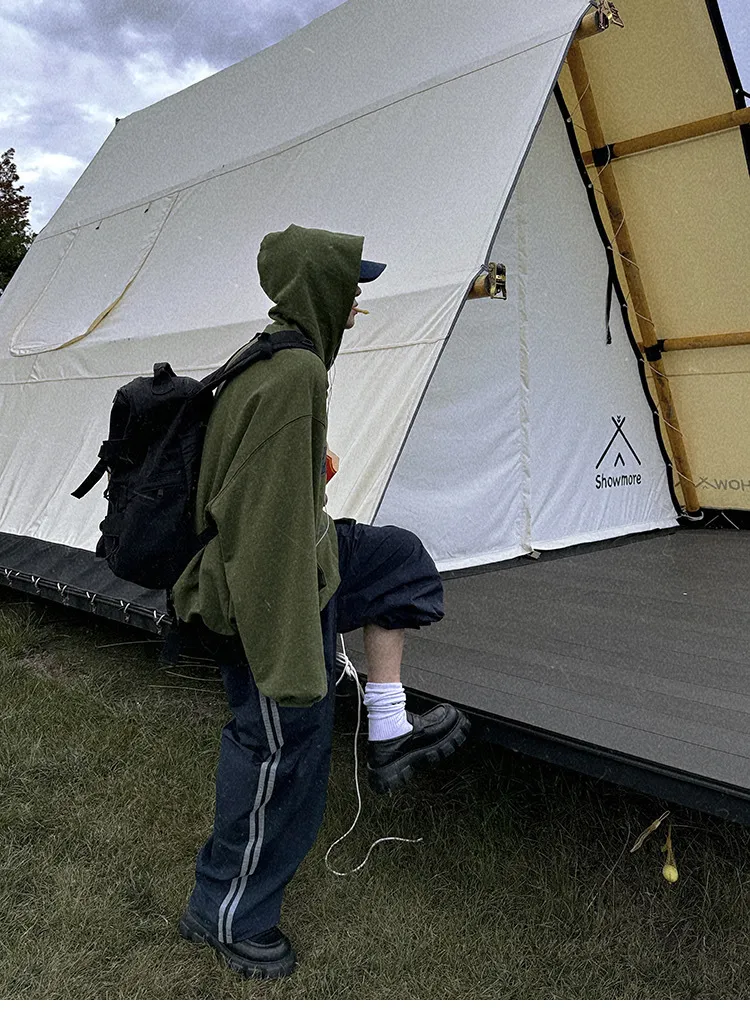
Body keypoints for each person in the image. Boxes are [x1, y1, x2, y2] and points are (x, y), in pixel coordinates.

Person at [171, 224, 470, 979]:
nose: (359, 301)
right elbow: (263, 531)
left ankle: (388, 728)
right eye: (352, 286)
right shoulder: (293, 375)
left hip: (298, 554)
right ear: (320, 290)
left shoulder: (283, 357)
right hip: (261, 590)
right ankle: (226, 914)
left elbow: (272, 494)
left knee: (399, 562)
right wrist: (294, 656)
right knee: (280, 750)